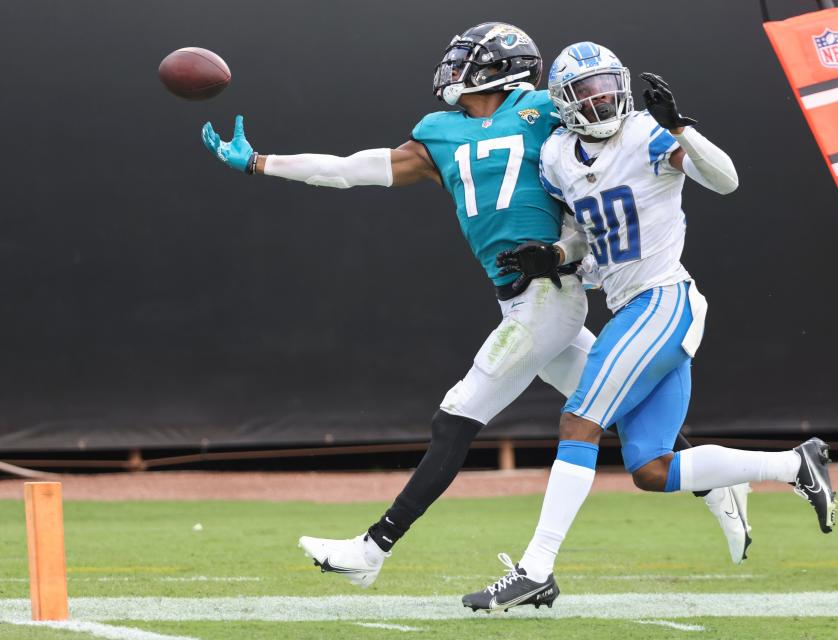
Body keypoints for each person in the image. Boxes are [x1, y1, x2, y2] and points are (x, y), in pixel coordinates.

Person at [200, 24, 749, 589]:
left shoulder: (546, 110)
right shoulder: (438, 134)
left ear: (496, 69)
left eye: (468, 59)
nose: (454, 67)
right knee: (624, 409)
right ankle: (716, 481)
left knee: (457, 415)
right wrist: (260, 162)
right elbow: (348, 169)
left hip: (550, 297)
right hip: (519, 303)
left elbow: (608, 123)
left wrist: (665, 146)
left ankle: (373, 549)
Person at [462, 42, 837, 612]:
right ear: (566, 102)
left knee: (579, 419)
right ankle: (795, 464)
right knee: (652, 468)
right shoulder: (559, 156)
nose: (602, 97)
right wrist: (555, 256)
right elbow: (589, 237)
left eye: (608, 84)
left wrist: (682, 129)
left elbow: (727, 179)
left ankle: (536, 569)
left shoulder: (647, 133)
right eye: (587, 91)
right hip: (631, 305)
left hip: (661, 300)